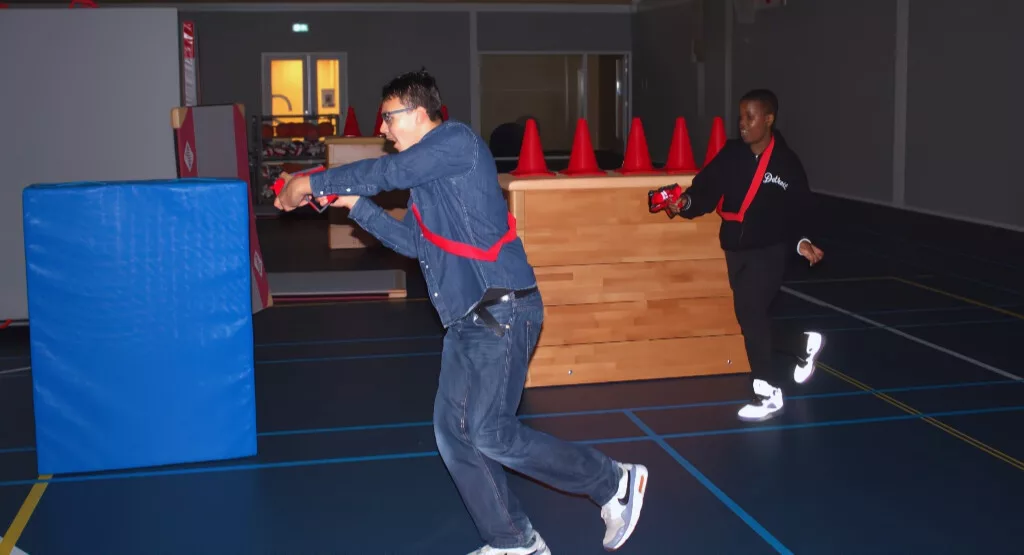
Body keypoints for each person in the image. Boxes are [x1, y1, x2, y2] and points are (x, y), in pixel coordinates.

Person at [275, 70, 649, 554]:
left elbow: (386, 173)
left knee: (492, 433)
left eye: (389, 119)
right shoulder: (429, 181)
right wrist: (354, 205)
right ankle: (513, 541)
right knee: (454, 435)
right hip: (467, 322)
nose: (383, 130)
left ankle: (613, 481)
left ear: (418, 113)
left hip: (502, 310)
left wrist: (308, 181)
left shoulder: (455, 142)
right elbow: (413, 241)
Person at [666, 89, 826, 422]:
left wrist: (804, 241)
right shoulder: (731, 154)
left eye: (750, 117)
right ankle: (800, 344)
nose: (742, 124)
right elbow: (705, 190)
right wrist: (686, 204)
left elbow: (801, 209)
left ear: (768, 119)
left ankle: (767, 391)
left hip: (770, 251)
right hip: (735, 250)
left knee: (750, 311)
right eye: (740, 117)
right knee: (751, 320)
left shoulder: (786, 163)